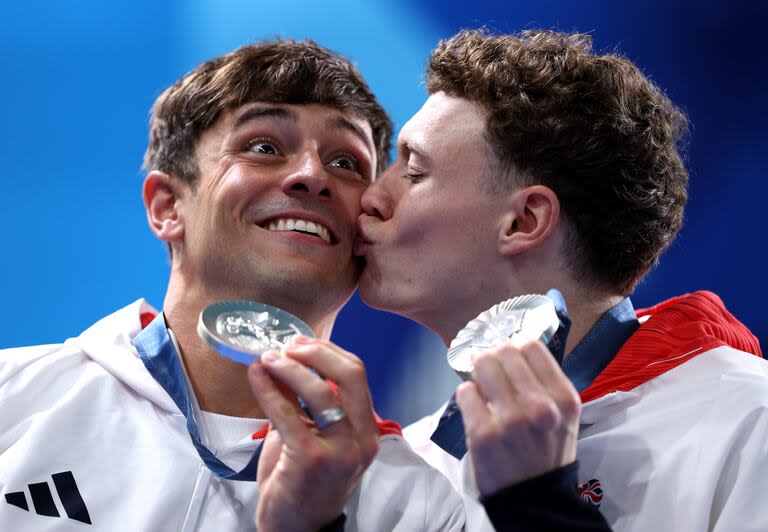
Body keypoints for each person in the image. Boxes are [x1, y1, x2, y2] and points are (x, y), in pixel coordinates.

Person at [0, 39, 464, 531]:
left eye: (346, 162)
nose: (312, 175)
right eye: (264, 147)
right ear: (166, 206)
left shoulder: (419, 505)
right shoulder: (15, 397)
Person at [355, 29, 767, 531]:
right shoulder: (414, 461)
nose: (371, 197)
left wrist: (537, 508)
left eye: (414, 172)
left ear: (524, 221)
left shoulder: (749, 421)